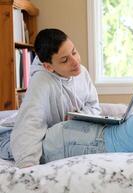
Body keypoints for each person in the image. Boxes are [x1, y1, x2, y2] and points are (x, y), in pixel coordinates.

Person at [0, 28, 101, 168]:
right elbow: (30, 123)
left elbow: (93, 105)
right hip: (10, 138)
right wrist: (28, 166)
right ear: (48, 67)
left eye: (74, 52)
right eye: (65, 60)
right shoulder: (41, 81)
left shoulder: (81, 72)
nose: (75, 62)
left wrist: (79, 117)